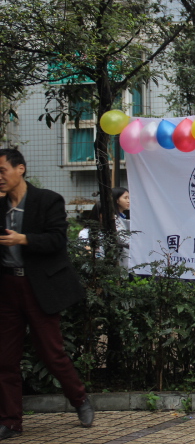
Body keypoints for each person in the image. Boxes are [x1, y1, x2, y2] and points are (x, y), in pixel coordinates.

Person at [0, 148, 94, 441]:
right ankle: (11, 422)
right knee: (4, 359)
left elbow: (56, 240)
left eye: (2, 170)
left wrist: (23, 239)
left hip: (38, 286)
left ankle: (79, 399)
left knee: (52, 354)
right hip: (6, 287)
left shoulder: (47, 200)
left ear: (20, 169)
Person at [111, 187, 130, 268]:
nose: (128, 201)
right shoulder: (115, 219)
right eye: (125, 198)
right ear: (117, 200)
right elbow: (123, 239)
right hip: (121, 257)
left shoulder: (122, 217)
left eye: (129, 198)